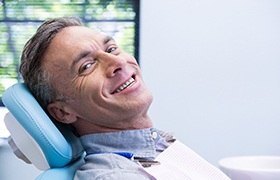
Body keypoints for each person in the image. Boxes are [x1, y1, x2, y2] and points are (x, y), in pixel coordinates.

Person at [20, 17, 229, 179]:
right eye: (86, 66)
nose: (117, 62)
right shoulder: (115, 176)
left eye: (111, 49)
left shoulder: (152, 147)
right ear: (63, 112)